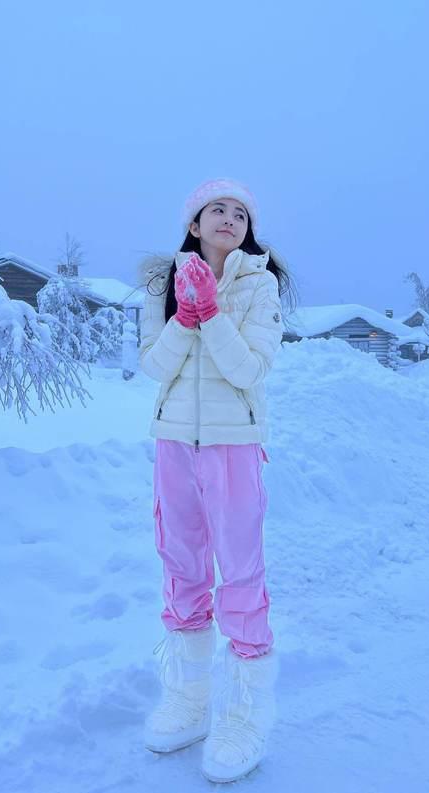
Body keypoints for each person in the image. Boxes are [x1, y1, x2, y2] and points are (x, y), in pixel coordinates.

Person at [137, 178, 298, 783]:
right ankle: (190, 698)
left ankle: (246, 713)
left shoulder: (260, 286)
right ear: (195, 225)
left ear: (247, 229)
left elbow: (248, 368)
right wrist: (183, 313)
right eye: (216, 209)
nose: (229, 217)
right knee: (180, 565)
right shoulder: (163, 283)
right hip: (173, 441)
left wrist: (212, 315)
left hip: (234, 445)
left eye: (240, 212)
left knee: (241, 570)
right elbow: (154, 365)